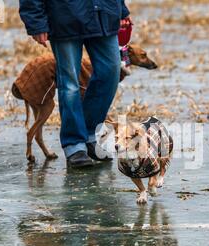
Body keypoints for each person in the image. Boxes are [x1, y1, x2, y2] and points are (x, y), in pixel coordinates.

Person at [19, 0, 131, 168]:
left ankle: (89, 135)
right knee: (70, 84)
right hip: (64, 15)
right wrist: (36, 22)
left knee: (111, 72)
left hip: (104, 12)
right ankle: (74, 145)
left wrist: (121, 8)